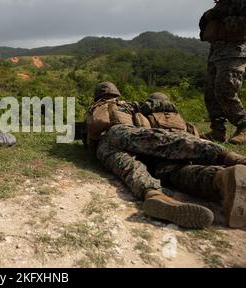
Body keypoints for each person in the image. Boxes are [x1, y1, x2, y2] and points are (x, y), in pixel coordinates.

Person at [85, 82, 246, 229]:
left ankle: (153, 194)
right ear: (116, 93)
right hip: (152, 147)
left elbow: (85, 136)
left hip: (112, 144)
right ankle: (221, 176)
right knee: (176, 167)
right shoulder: (127, 105)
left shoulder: (98, 109)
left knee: (129, 165)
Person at [199, 0, 246, 144]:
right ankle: (217, 131)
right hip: (216, 54)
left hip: (234, 53)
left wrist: (225, 16)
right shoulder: (221, 5)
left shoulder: (240, 1)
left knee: (224, 90)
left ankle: (243, 126)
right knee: (210, 93)